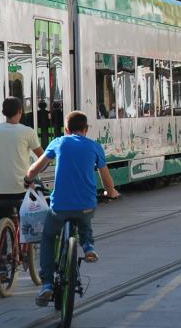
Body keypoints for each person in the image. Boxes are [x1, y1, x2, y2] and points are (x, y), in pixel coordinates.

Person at [26, 110, 119, 306]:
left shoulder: (59, 142)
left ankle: (48, 285)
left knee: (49, 237)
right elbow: (106, 178)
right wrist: (111, 192)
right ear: (86, 129)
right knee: (85, 219)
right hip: (86, 205)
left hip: (59, 207)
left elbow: (35, 169)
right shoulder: (95, 147)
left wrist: (28, 179)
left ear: (66, 130)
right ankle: (88, 246)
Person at [0, 96, 44, 236]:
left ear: (4, 112)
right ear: (20, 111)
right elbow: (43, 157)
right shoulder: (28, 131)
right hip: (21, 188)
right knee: (29, 215)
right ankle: (26, 247)